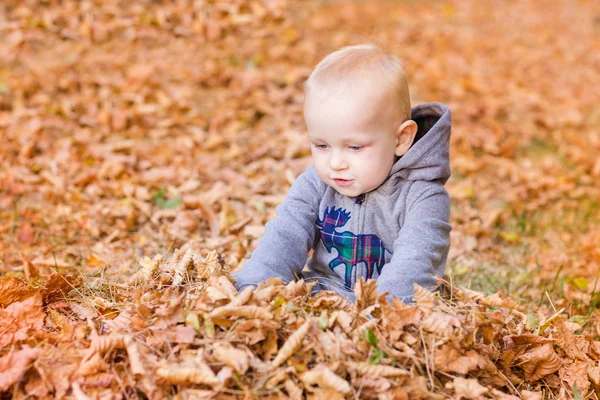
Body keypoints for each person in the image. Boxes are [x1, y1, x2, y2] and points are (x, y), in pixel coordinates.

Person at [232, 44, 452, 303]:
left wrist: (384, 311)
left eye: (354, 147)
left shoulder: (423, 196)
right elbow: (284, 236)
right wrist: (256, 286)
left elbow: (417, 260)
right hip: (323, 293)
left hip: (393, 303)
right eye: (322, 145)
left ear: (401, 139)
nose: (335, 163)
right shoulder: (315, 185)